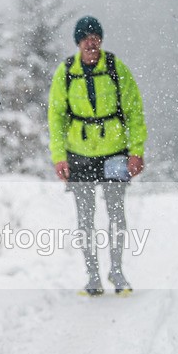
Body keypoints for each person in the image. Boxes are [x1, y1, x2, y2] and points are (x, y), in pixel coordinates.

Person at [47, 16, 147, 296]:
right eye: (85, 37)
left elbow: (134, 112)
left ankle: (117, 272)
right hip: (78, 154)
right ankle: (93, 276)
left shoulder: (116, 68)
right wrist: (59, 157)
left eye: (95, 37)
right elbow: (56, 118)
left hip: (115, 151)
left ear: (101, 40)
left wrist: (136, 151)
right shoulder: (66, 72)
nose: (91, 42)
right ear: (78, 42)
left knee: (116, 214)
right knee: (85, 217)